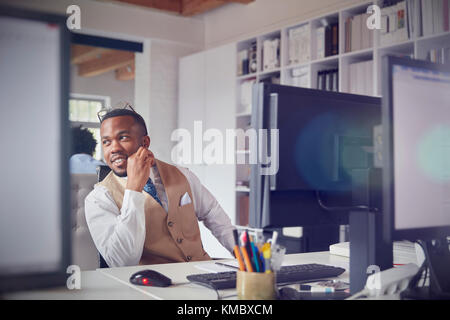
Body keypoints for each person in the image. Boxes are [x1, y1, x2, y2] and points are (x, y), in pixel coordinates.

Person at [84, 107, 236, 267]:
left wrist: (247, 257)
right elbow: (122, 261)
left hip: (203, 272)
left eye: (123, 138)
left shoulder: (183, 175)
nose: (114, 148)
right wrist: (133, 189)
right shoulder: (98, 199)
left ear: (145, 142)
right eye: (106, 142)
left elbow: (216, 218)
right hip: (154, 286)